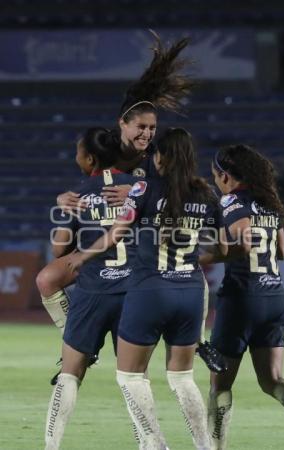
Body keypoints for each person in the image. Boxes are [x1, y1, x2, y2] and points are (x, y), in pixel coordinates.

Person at [68, 128, 224, 449]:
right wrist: (196, 256)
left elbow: (116, 232)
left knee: (129, 375)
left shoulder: (144, 189)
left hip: (150, 291)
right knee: (182, 379)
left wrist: (84, 254)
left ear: (161, 157)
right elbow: (224, 247)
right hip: (191, 292)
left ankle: (155, 443)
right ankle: (206, 446)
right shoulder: (206, 195)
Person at [44, 126, 141, 450]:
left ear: (89, 158)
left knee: (70, 374)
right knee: (133, 378)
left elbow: (59, 250)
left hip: (93, 291)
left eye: (77, 152)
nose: (76, 157)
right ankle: (150, 443)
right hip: (135, 292)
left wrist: (64, 213)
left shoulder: (79, 193)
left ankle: (51, 446)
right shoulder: (139, 189)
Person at [201, 144, 284, 450]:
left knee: (220, 385)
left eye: (216, 175)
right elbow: (281, 251)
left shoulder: (231, 200)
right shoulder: (269, 202)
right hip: (274, 298)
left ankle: (214, 448)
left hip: (242, 298)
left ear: (227, 176)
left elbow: (242, 243)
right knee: (272, 380)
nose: (216, 181)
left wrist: (195, 257)